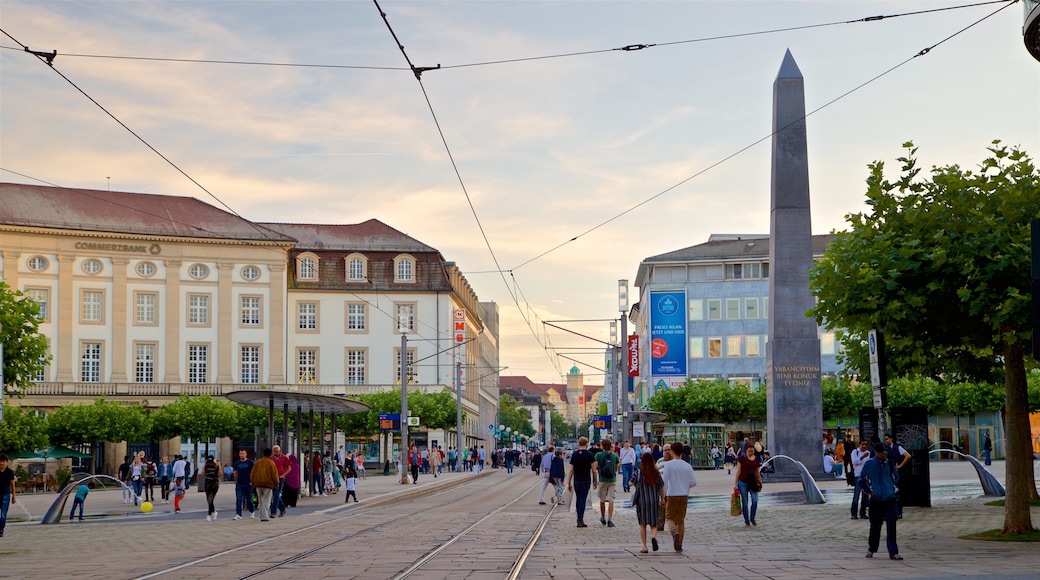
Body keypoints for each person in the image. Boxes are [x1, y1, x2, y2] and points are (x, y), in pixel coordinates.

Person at [859, 443, 902, 560]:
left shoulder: (890, 463)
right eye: (881, 453)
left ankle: (893, 552)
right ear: (876, 453)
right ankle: (871, 548)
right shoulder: (869, 464)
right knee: (875, 525)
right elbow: (861, 479)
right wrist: (870, 491)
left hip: (890, 498)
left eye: (885, 453)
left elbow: (896, 477)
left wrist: (894, 490)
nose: (883, 455)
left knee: (892, 525)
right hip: (876, 498)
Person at [660, 442, 697, 551]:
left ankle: (674, 532)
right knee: (681, 520)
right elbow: (694, 482)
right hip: (684, 495)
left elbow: (664, 482)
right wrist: (686, 486)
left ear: (672, 451)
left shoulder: (668, 465)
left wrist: (662, 496)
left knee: (670, 517)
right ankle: (680, 543)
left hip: (672, 494)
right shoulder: (687, 466)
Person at [631, 452, 663, 553]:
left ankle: (645, 547)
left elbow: (630, 482)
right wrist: (662, 499)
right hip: (653, 500)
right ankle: (653, 537)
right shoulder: (656, 472)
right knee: (654, 523)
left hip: (642, 501)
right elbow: (662, 487)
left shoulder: (638, 472)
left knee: (642, 524)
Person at [566, 436, 597, 528]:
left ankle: (578, 518)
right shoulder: (590, 454)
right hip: (586, 479)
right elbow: (594, 470)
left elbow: (571, 470)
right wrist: (595, 480)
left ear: (579, 444)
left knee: (578, 498)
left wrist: (568, 482)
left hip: (577, 480)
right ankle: (580, 519)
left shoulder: (575, 455)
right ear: (586, 444)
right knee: (583, 499)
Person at [733, 443, 762, 527]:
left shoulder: (756, 459)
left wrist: (760, 481)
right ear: (745, 451)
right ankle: (746, 520)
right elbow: (738, 471)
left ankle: (752, 517)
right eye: (749, 451)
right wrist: (735, 483)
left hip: (753, 482)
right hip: (743, 482)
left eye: (752, 451)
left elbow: (757, 471)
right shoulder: (741, 459)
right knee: (745, 502)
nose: (751, 453)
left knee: (755, 500)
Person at [883, 434, 911, 518]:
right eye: (885, 439)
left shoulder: (897, 447)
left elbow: (908, 456)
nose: (886, 441)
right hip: (889, 474)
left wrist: (900, 466)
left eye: (887, 439)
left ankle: (898, 512)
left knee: (897, 493)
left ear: (891, 439)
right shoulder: (885, 449)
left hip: (896, 473)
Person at [594, 439, 619, 527]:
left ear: (602, 446)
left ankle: (603, 517)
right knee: (611, 499)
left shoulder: (598, 455)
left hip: (602, 479)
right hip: (612, 480)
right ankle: (610, 519)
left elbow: (595, 466)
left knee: (602, 499)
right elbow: (616, 469)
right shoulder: (615, 455)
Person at [251, 448, 280, 522]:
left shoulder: (257, 462)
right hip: (268, 484)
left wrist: (253, 481)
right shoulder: (271, 463)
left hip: (258, 484)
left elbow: (252, 473)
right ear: (270, 454)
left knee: (260, 500)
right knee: (266, 500)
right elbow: (274, 474)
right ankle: (264, 516)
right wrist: (276, 483)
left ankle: (261, 514)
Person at [850, 440, 871, 519]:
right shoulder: (855, 452)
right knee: (856, 495)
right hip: (858, 475)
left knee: (865, 495)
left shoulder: (868, 453)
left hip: (866, 476)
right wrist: (862, 457)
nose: (864, 446)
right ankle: (854, 513)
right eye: (863, 444)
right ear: (859, 445)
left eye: (866, 444)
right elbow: (854, 462)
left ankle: (863, 512)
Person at [232, 449, 254, 520]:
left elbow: (253, 472)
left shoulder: (250, 462)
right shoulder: (237, 463)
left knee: (249, 499)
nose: (241, 455)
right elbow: (235, 472)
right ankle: (238, 514)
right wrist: (236, 481)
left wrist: (252, 481)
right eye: (240, 454)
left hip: (248, 483)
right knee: (238, 499)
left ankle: (251, 511)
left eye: (243, 454)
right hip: (240, 483)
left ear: (246, 454)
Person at [271, 445, 291, 517]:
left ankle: (273, 512)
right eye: (274, 451)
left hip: (280, 478)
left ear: (279, 451)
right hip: (273, 478)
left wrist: (283, 475)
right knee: (274, 495)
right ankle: (282, 509)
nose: (275, 453)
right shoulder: (271, 458)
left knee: (276, 494)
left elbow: (289, 468)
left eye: (276, 451)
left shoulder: (284, 457)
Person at [0, 454, 17, 537]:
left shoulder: (10, 472)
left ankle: (1, 530)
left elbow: (12, 484)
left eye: (3, 461)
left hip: (5, 495)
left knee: (3, 515)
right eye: (0, 461)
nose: (1, 463)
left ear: (6, 462)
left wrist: (14, 496)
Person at [203, 455, 221, 521]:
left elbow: (220, 474)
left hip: (214, 484)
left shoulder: (216, 466)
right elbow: (202, 474)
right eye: (209, 462)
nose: (210, 464)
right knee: (209, 500)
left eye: (211, 462)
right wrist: (204, 465)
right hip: (207, 484)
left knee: (210, 499)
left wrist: (219, 465)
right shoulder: (206, 466)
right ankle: (214, 512)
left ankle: (209, 515)